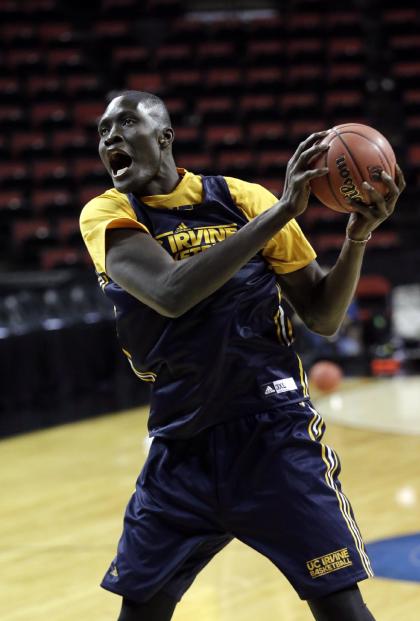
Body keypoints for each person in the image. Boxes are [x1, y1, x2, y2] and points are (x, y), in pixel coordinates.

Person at [79, 90, 405, 621]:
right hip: (180, 445)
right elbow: (170, 293)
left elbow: (322, 315)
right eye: (102, 131)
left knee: (342, 607)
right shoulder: (108, 213)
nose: (109, 137)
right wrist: (280, 213)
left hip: (273, 437)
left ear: (164, 137)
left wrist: (358, 237)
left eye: (124, 124)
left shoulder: (239, 198)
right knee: (139, 613)